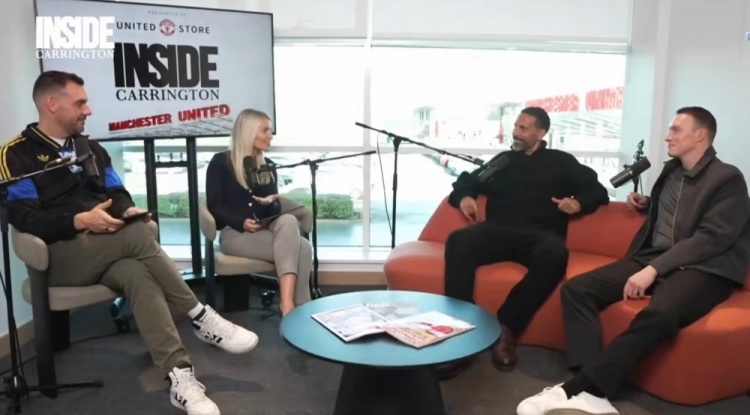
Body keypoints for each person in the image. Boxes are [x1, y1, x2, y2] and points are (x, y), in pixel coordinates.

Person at [1, 70, 259, 415]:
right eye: (80, 103)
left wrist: (126, 210)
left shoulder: (90, 148)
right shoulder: (15, 155)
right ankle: (199, 315)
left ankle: (180, 376)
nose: (88, 110)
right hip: (59, 257)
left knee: (138, 272)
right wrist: (79, 220)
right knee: (138, 234)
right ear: (51, 104)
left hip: (107, 250)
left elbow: (116, 192)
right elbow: (25, 219)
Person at [517, 107, 750, 415]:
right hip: (655, 256)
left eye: (675, 130)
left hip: (704, 267)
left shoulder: (728, 179)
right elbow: (682, 212)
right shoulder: (672, 171)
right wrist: (649, 204)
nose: (667, 136)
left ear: (700, 135)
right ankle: (590, 383)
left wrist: (653, 270)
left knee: (661, 313)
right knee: (577, 289)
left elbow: (711, 238)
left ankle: (580, 389)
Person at [439, 107, 610, 379]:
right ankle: (462, 332)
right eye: (516, 126)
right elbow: (468, 181)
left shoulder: (562, 162)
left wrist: (578, 202)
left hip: (539, 236)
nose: (516, 133)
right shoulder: (504, 160)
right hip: (497, 231)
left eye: (524, 128)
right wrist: (466, 197)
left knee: (556, 254)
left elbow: (596, 190)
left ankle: (505, 330)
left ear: (541, 133)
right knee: (459, 240)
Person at [205, 108, 312, 317]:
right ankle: (298, 312)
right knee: (303, 248)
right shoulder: (221, 163)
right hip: (235, 235)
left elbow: (274, 211)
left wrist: (270, 204)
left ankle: (289, 306)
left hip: (265, 232)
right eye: (265, 130)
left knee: (289, 221)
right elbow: (215, 206)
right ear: (248, 132)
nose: (270, 136)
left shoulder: (268, 166)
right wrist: (241, 222)